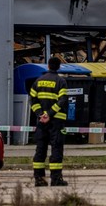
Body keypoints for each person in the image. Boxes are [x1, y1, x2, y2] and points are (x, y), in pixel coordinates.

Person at [29, 56, 69, 187]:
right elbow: (62, 101)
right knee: (56, 149)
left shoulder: (38, 81)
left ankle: (39, 179)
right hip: (56, 122)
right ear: (58, 67)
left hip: (41, 122)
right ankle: (56, 179)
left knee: (40, 149)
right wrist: (50, 114)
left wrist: (41, 114)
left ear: (48, 66)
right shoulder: (61, 81)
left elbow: (33, 101)